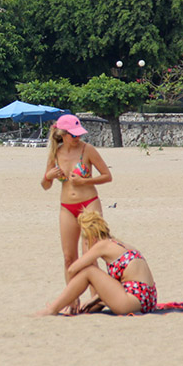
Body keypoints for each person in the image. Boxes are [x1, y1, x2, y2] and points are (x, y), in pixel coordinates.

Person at [41, 114, 112, 310]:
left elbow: (107, 176)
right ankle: (72, 301)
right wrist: (48, 176)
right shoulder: (55, 154)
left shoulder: (87, 150)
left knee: (89, 255)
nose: (77, 138)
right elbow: (45, 185)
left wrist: (85, 181)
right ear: (63, 135)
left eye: (79, 134)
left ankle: (95, 298)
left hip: (89, 203)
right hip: (67, 207)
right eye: (73, 135)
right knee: (68, 258)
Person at [35, 208, 156, 316]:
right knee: (92, 304)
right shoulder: (119, 244)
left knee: (89, 271)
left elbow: (72, 269)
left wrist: (73, 298)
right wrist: (97, 299)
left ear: (92, 237)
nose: (86, 245)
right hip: (148, 299)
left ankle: (52, 309)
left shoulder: (102, 245)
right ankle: (65, 307)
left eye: (86, 242)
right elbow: (123, 282)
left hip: (133, 299)